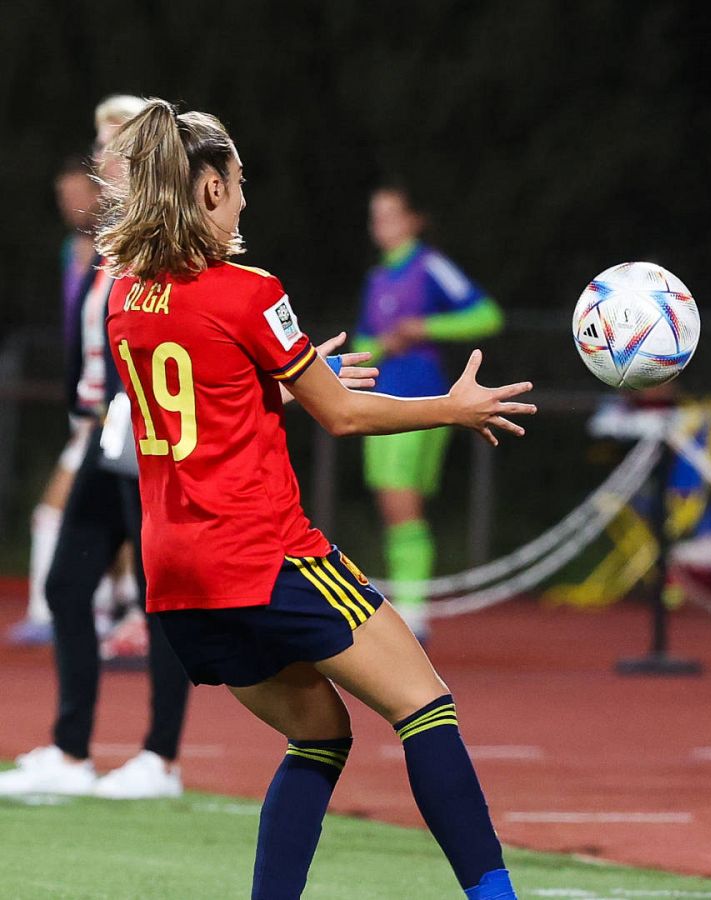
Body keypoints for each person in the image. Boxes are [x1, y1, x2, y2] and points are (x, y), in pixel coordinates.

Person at [99, 99, 532, 900]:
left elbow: (193, 402)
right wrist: (453, 407)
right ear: (207, 191)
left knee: (320, 737)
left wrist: (276, 388)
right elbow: (346, 414)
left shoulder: (123, 297)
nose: (243, 198)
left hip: (178, 576)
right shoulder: (248, 289)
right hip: (263, 554)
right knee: (426, 706)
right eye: (236, 183)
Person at [0, 95, 198, 801]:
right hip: (104, 429)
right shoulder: (108, 240)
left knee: (156, 596)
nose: (100, 160)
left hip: (141, 430)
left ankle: (161, 759)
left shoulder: (160, 239)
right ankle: (73, 748)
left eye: (113, 147)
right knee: (65, 585)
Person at [353, 186, 505, 640]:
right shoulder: (378, 278)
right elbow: (363, 345)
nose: (382, 225)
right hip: (378, 404)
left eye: (391, 216)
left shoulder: (430, 266)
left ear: (414, 220)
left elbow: (487, 316)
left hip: (421, 403)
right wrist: (385, 344)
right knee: (392, 505)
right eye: (375, 216)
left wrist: (424, 327)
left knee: (402, 505)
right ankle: (409, 603)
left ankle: (414, 611)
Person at [7, 157, 105, 648]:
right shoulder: (73, 250)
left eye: (77, 193)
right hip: (89, 401)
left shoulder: (118, 250)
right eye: (62, 197)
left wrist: (102, 402)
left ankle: (50, 612)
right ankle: (113, 609)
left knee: (52, 512)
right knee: (115, 512)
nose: (71, 205)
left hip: (110, 405)